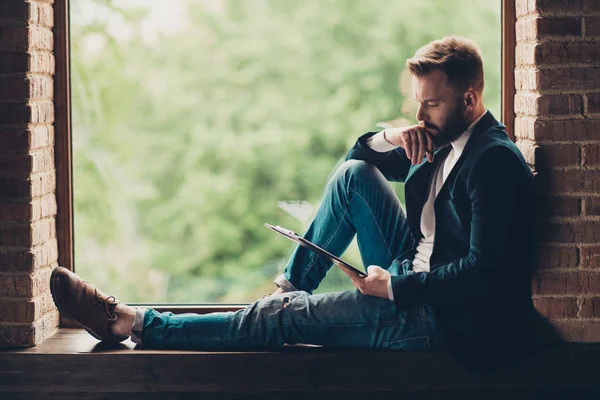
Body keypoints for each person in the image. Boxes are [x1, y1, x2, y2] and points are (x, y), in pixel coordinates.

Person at [50, 36, 536, 368]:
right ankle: (287, 286)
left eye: (431, 103)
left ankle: (131, 321)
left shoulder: (492, 161)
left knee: (279, 320)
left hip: (434, 318)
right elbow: (355, 161)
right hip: (410, 271)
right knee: (353, 177)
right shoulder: (437, 139)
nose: (419, 113)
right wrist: (392, 135)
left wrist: (395, 290)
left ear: (470, 99)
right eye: (416, 101)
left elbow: (484, 273)